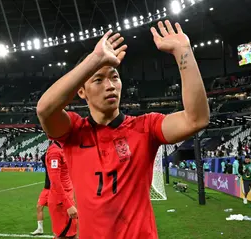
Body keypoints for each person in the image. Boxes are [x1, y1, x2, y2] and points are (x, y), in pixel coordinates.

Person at [36, 20, 209, 238]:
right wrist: (94, 59)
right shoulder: (73, 132)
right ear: (81, 92)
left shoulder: (146, 127)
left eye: (114, 77)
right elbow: (45, 110)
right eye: (98, 80)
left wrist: (183, 51)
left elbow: (196, 119)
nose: (110, 86)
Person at [45, 142, 77, 239]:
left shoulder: (64, 148)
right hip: (61, 203)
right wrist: (68, 205)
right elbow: (55, 182)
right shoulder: (55, 152)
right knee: (65, 236)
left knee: (73, 235)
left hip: (67, 199)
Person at [31, 153, 49, 236]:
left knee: (61, 210)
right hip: (47, 188)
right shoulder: (47, 162)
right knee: (39, 206)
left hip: (57, 189)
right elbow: (43, 157)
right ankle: (40, 228)